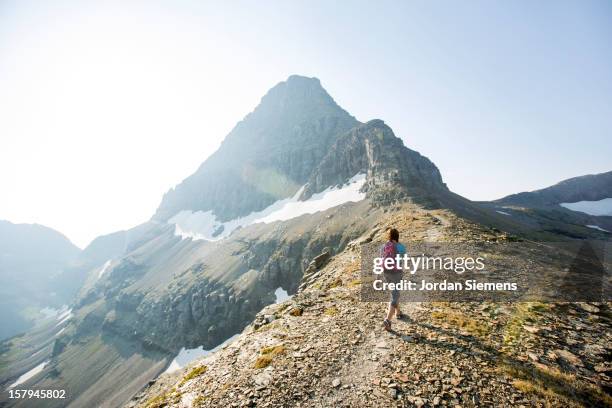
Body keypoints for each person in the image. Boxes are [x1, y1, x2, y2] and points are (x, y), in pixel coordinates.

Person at [381, 228, 406, 331]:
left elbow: (381, 258)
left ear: (389, 236)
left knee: (394, 292)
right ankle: (388, 320)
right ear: (397, 236)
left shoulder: (384, 246)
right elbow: (402, 261)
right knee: (394, 295)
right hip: (396, 273)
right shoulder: (401, 247)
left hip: (386, 272)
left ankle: (398, 312)